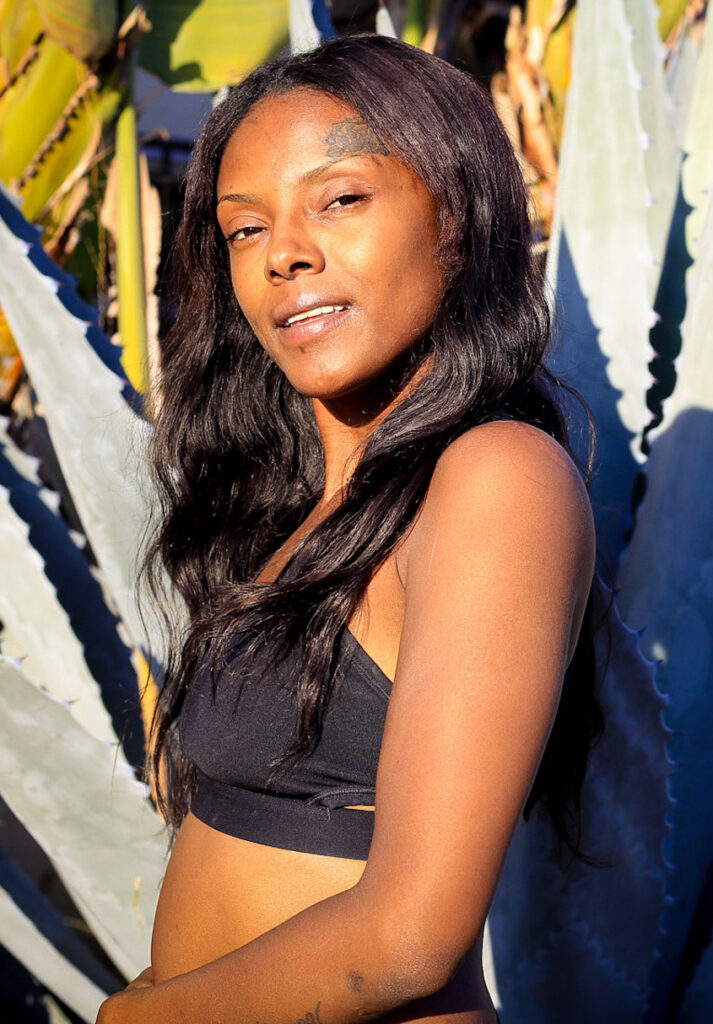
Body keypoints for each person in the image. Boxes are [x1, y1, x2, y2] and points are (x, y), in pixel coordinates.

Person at [97, 33, 603, 1024]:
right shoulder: (286, 508)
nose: (283, 251)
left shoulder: (493, 479)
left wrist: (136, 1019)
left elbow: (404, 939)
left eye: (339, 199)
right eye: (244, 230)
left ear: (454, 214)